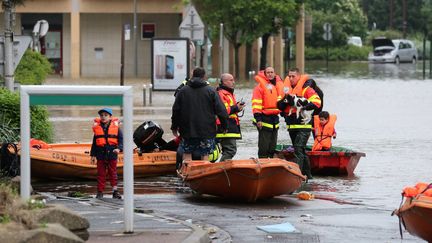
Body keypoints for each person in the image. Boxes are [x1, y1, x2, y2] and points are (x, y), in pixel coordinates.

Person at [171, 67, 228, 162]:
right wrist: (224, 126)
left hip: (187, 130)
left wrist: (174, 127)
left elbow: (176, 110)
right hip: (206, 131)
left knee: (187, 153)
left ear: (192, 75)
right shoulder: (211, 91)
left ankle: (188, 173)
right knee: (205, 154)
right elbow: (221, 111)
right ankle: (203, 173)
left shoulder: (183, 91)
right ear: (204, 76)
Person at [277, 68, 322, 179]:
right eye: (289, 76)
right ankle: (308, 176)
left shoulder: (306, 89)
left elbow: (317, 102)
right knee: (301, 150)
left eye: (293, 76)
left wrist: (303, 106)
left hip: (304, 124)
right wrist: (285, 100)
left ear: (299, 77)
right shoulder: (285, 89)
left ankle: (297, 176)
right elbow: (279, 105)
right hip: (291, 125)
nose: (291, 78)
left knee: (298, 149)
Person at [90, 108, 123, 199]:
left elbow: (121, 140)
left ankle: (115, 191)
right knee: (101, 174)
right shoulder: (97, 128)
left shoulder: (116, 128)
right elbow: (95, 142)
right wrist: (93, 155)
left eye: (106, 115)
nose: (103, 117)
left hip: (112, 153)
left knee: (113, 173)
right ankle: (100, 192)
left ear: (110, 117)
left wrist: (119, 149)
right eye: (102, 115)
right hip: (100, 154)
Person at [252, 67, 284, 158]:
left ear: (275, 73)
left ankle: (270, 163)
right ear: (265, 74)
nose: (270, 74)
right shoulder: (259, 88)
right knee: (264, 145)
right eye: (268, 72)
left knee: (272, 145)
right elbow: (256, 104)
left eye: (272, 72)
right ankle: (262, 161)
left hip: (274, 119)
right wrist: (258, 119)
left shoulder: (276, 86)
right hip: (263, 119)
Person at [216, 73, 245, 161]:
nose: (233, 82)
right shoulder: (221, 94)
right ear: (224, 82)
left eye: (233, 80)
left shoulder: (228, 93)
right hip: (225, 125)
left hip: (230, 125)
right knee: (230, 150)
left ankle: (222, 169)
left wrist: (237, 108)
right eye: (231, 80)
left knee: (228, 150)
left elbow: (229, 109)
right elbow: (223, 111)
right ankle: (221, 169)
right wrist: (236, 107)